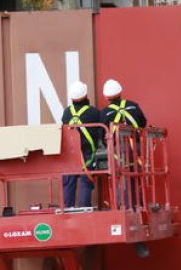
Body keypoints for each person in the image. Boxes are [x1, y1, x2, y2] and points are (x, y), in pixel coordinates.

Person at [100, 79, 147, 209]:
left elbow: (102, 133)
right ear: (120, 92)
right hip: (136, 147)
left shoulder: (104, 113)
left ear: (106, 96)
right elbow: (143, 123)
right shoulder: (133, 105)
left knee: (121, 178)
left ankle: (124, 207)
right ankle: (138, 204)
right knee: (136, 176)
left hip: (118, 150)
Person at [62, 81, 104, 209]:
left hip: (71, 152)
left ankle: (68, 208)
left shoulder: (67, 112)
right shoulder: (94, 113)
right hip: (88, 152)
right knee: (86, 180)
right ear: (86, 95)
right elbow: (101, 132)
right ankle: (84, 208)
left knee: (69, 181)